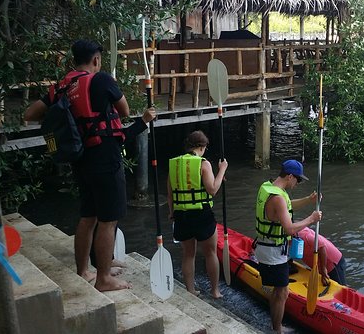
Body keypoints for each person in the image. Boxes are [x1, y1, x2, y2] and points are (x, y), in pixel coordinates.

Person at [24, 39, 156, 291]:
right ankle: (104, 278)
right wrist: (144, 120)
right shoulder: (102, 79)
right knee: (108, 219)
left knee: (88, 216)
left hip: (79, 157)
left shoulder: (61, 87)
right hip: (104, 157)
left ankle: (84, 270)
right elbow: (125, 111)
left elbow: (30, 114)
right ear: (96, 59)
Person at [255, 159, 322, 333]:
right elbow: (289, 228)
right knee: (282, 292)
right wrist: (311, 219)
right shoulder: (277, 197)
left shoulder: (269, 187)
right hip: (272, 252)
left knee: (280, 291)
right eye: (298, 180)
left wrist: (309, 200)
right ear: (290, 176)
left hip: (269, 248)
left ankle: (275, 325)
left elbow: (287, 207)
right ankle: (277, 329)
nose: (297, 183)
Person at [166, 130, 227, 298]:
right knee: (210, 253)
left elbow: (170, 194)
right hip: (201, 214)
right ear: (202, 146)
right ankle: (215, 291)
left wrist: (172, 213)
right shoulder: (203, 163)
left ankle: (191, 290)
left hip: (181, 215)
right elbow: (213, 189)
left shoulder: (174, 164)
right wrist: (222, 170)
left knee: (188, 254)